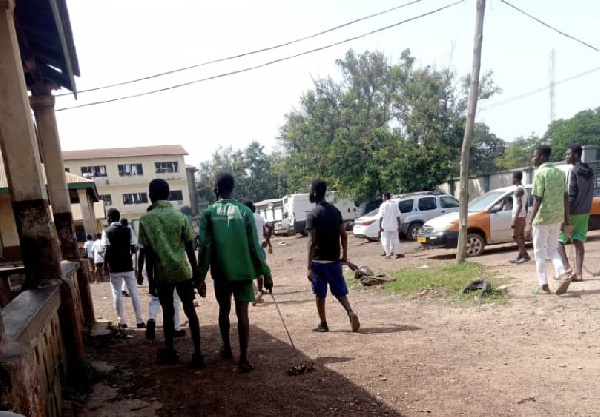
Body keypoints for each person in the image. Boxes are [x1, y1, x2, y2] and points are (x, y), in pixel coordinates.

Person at [198, 172, 273, 373]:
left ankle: (227, 347)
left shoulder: (208, 213)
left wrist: (200, 277)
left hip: (221, 273)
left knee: (224, 310)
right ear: (232, 189)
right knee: (243, 313)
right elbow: (254, 247)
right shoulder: (245, 212)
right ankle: (243, 359)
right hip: (243, 272)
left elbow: (205, 247)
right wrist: (266, 272)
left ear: (216, 189)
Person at [139, 179, 205, 367]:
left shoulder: (146, 219)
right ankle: (198, 353)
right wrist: (197, 275)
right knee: (190, 311)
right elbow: (190, 250)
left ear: (150, 195)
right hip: (183, 271)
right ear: (168, 195)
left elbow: (148, 253)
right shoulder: (181, 217)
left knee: (168, 312)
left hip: (162, 273)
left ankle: (170, 350)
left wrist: (150, 279)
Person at [306, 179, 360, 333]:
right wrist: (344, 256)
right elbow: (343, 235)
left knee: (320, 294)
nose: (310, 193)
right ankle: (350, 312)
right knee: (340, 292)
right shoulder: (335, 211)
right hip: (335, 260)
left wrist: (309, 266)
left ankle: (323, 323)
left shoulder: (312, 214)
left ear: (315, 193)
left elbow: (312, 242)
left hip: (318, 262)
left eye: (310, 190)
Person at [137, 205, 186, 340]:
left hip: (150, 268)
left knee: (155, 297)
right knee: (173, 299)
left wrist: (139, 271)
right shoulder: (163, 225)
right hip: (166, 267)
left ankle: (152, 319)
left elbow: (141, 253)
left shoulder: (145, 226)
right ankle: (175, 327)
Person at [529, 145, 571, 295]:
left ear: (541, 157)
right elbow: (566, 198)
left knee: (539, 252)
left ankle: (543, 286)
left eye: (534, 156)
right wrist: (566, 220)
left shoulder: (540, 173)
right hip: (557, 217)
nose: (532, 159)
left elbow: (537, 199)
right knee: (553, 249)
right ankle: (562, 274)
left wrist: (530, 220)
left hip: (542, 218)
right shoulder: (560, 173)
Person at [102, 209, 145, 328]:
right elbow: (134, 248)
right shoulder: (128, 229)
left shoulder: (106, 231)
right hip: (127, 266)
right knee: (134, 294)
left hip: (114, 267)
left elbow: (107, 251)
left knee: (117, 294)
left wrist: (105, 266)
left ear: (109, 218)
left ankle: (122, 321)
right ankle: (139, 321)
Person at [557, 144, 595, 282]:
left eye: (568, 154)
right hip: (585, 211)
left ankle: (566, 267)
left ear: (576, 155)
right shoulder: (590, 171)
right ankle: (579, 273)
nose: (566, 157)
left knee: (558, 240)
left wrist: (564, 216)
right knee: (578, 241)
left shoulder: (573, 171)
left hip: (572, 212)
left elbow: (571, 195)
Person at [243, 201, 269, 305]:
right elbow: (269, 227)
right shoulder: (259, 217)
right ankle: (259, 291)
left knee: (246, 270)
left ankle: (254, 293)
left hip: (248, 248)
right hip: (259, 247)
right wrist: (267, 240)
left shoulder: (244, 217)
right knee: (260, 270)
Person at [509, 171, 530, 264]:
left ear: (516, 178)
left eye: (512, 178)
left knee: (515, 236)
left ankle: (525, 255)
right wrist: (524, 214)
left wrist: (514, 219)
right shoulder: (523, 189)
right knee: (521, 236)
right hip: (522, 215)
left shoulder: (519, 190)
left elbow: (519, 205)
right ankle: (520, 255)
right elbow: (526, 204)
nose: (511, 180)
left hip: (518, 216)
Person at [378, 193, 403, 259]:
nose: (382, 198)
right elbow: (398, 216)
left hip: (385, 226)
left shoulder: (383, 205)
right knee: (396, 239)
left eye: (383, 197)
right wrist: (399, 225)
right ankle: (398, 254)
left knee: (386, 240)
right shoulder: (394, 204)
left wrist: (380, 226)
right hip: (394, 225)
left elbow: (381, 217)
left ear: (386, 197)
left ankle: (388, 255)